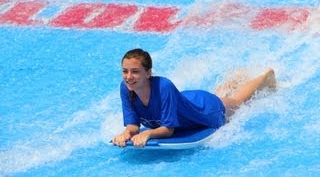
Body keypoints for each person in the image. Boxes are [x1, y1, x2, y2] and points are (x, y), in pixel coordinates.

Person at [112, 48, 276, 147]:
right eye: (125, 71)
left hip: (203, 110)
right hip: (187, 101)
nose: (128, 76)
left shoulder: (164, 87)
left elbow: (168, 130)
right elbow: (133, 125)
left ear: (148, 73)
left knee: (235, 102)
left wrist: (147, 134)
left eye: (135, 71)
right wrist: (126, 133)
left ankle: (265, 77)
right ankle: (232, 81)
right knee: (220, 97)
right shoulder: (126, 89)